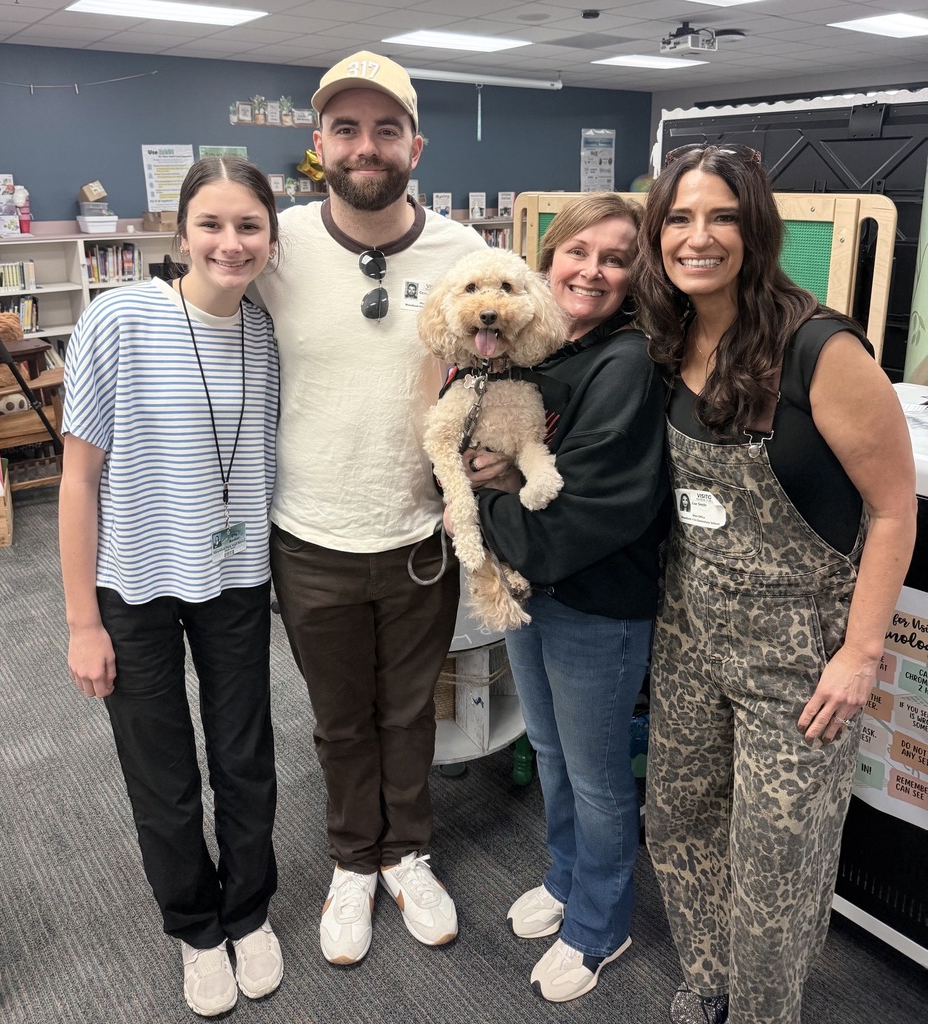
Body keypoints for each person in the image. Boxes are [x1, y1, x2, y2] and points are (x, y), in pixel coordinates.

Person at [633, 144, 917, 1024]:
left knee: (776, 863)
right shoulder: (668, 333)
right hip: (688, 636)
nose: (698, 237)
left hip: (798, 661)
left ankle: (764, 1014)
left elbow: (894, 511)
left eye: (720, 216)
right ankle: (709, 976)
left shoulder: (818, 349)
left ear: (756, 229)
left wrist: (859, 653)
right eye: (678, 218)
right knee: (676, 817)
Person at [252, 51, 487, 966]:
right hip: (309, 534)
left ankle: (407, 853)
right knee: (340, 716)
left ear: (414, 144)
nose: (365, 145)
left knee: (408, 713)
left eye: (385, 129)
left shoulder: (464, 252)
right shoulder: (278, 244)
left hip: (418, 532)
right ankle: (354, 860)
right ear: (318, 146)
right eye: (345, 129)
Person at [59, 156, 283, 1018]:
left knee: (244, 758)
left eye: (249, 226)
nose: (231, 243)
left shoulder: (263, 333)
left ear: (270, 236)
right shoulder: (117, 318)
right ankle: (195, 929)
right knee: (162, 771)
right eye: (212, 225)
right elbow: (78, 483)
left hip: (233, 578)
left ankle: (249, 911)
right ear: (180, 231)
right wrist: (83, 622)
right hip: (136, 583)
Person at [450, 193, 670, 1002]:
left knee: (599, 773)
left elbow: (587, 510)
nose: (593, 270)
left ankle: (600, 924)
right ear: (548, 260)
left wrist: (490, 504)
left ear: (634, 274)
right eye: (578, 252)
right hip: (527, 591)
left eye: (616, 259)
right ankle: (566, 875)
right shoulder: (531, 352)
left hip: (595, 602)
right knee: (549, 753)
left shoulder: (627, 363)